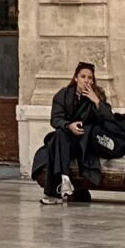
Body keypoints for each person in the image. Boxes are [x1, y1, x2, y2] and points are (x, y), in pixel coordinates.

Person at [35, 61, 109, 205]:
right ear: (76, 78)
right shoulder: (63, 95)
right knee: (59, 134)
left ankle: (54, 192)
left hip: (86, 142)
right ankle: (65, 179)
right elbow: (55, 119)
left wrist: (97, 102)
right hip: (66, 139)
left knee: (54, 145)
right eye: (83, 77)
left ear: (93, 81)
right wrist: (69, 125)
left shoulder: (97, 96)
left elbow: (108, 119)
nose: (86, 80)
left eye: (90, 78)